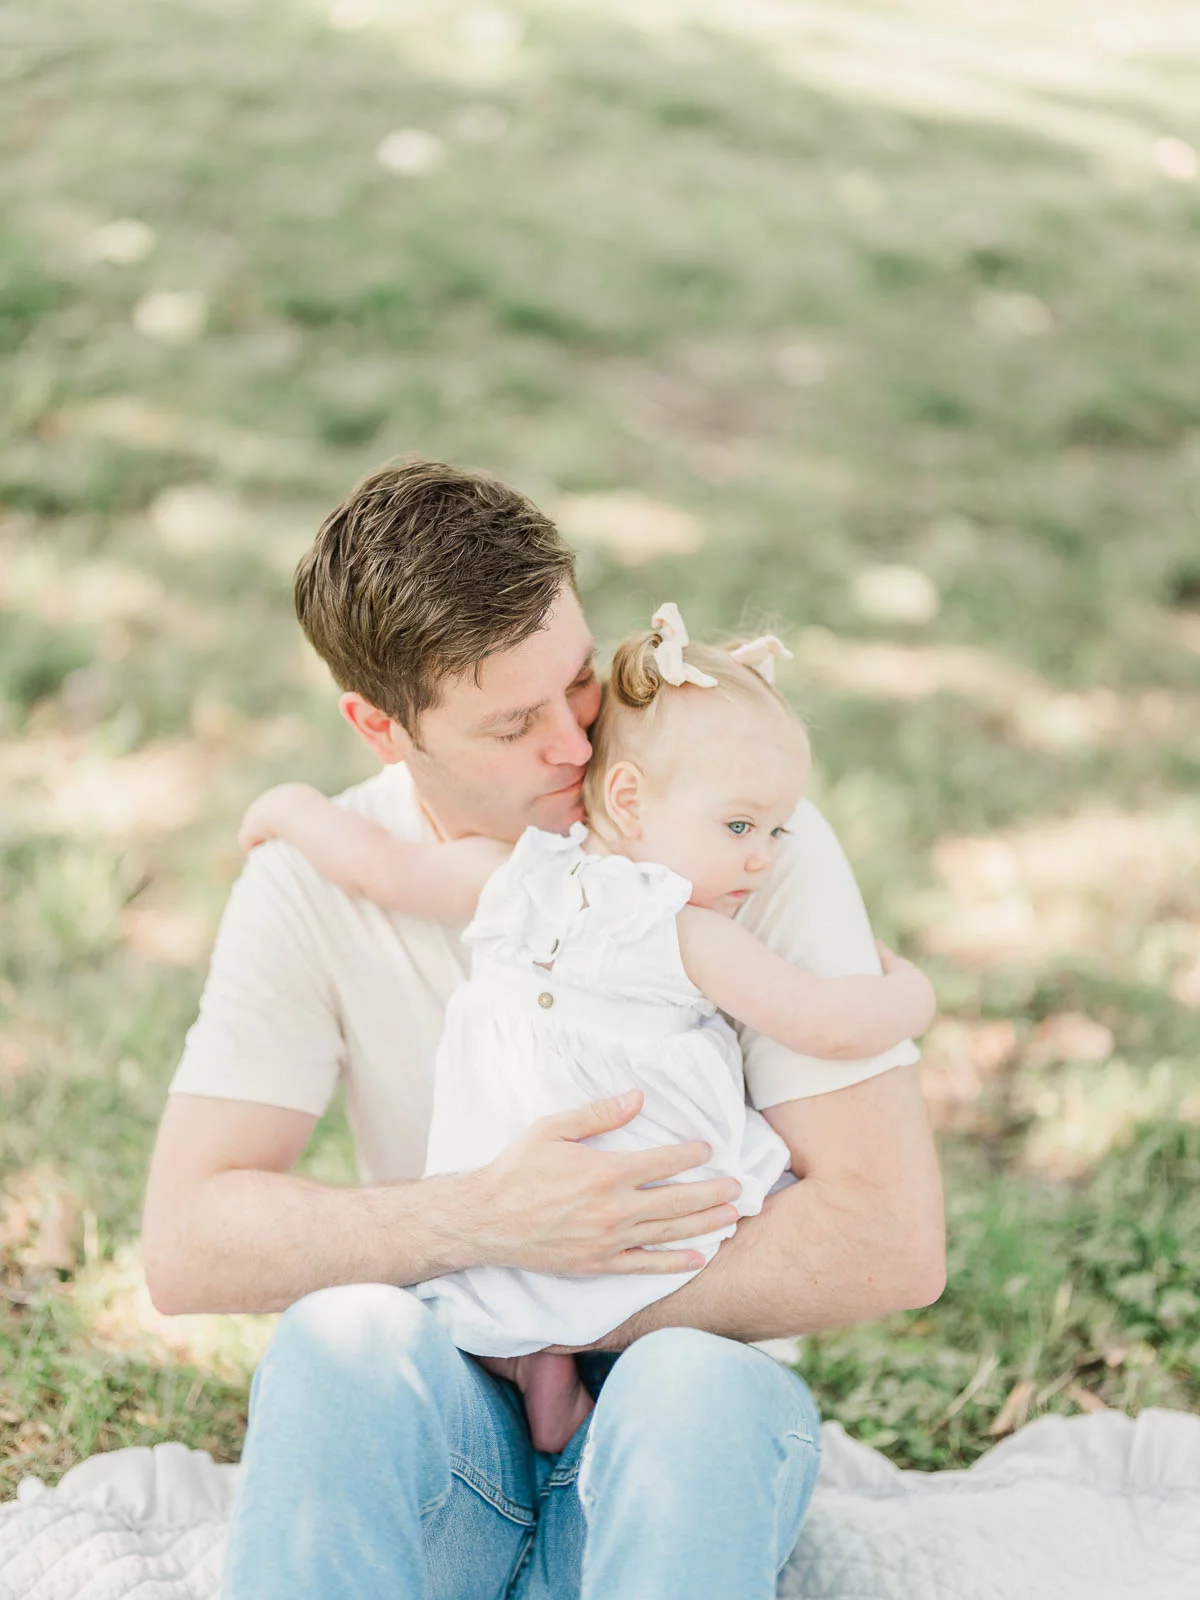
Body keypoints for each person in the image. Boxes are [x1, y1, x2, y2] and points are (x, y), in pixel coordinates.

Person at [141, 461, 946, 1599]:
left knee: (694, 1390)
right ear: (381, 728)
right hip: (459, 1422)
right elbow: (188, 1242)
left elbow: (891, 1234)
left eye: (575, 682)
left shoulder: (734, 836)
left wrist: (573, 1306)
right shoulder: (320, 882)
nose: (577, 746)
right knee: (337, 1348)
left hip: (674, 1417)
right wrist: (483, 1221)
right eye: (514, 723)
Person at [236, 603, 937, 1452]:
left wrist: (290, 810)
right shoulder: (686, 930)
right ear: (631, 798)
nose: (765, 858)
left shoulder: (516, 877)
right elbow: (825, 1022)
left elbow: (382, 868)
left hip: (513, 1206)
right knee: (749, 1187)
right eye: (742, 828)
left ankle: (541, 1369)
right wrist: (912, 996)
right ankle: (568, 1373)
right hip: (630, 1200)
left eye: (776, 830)